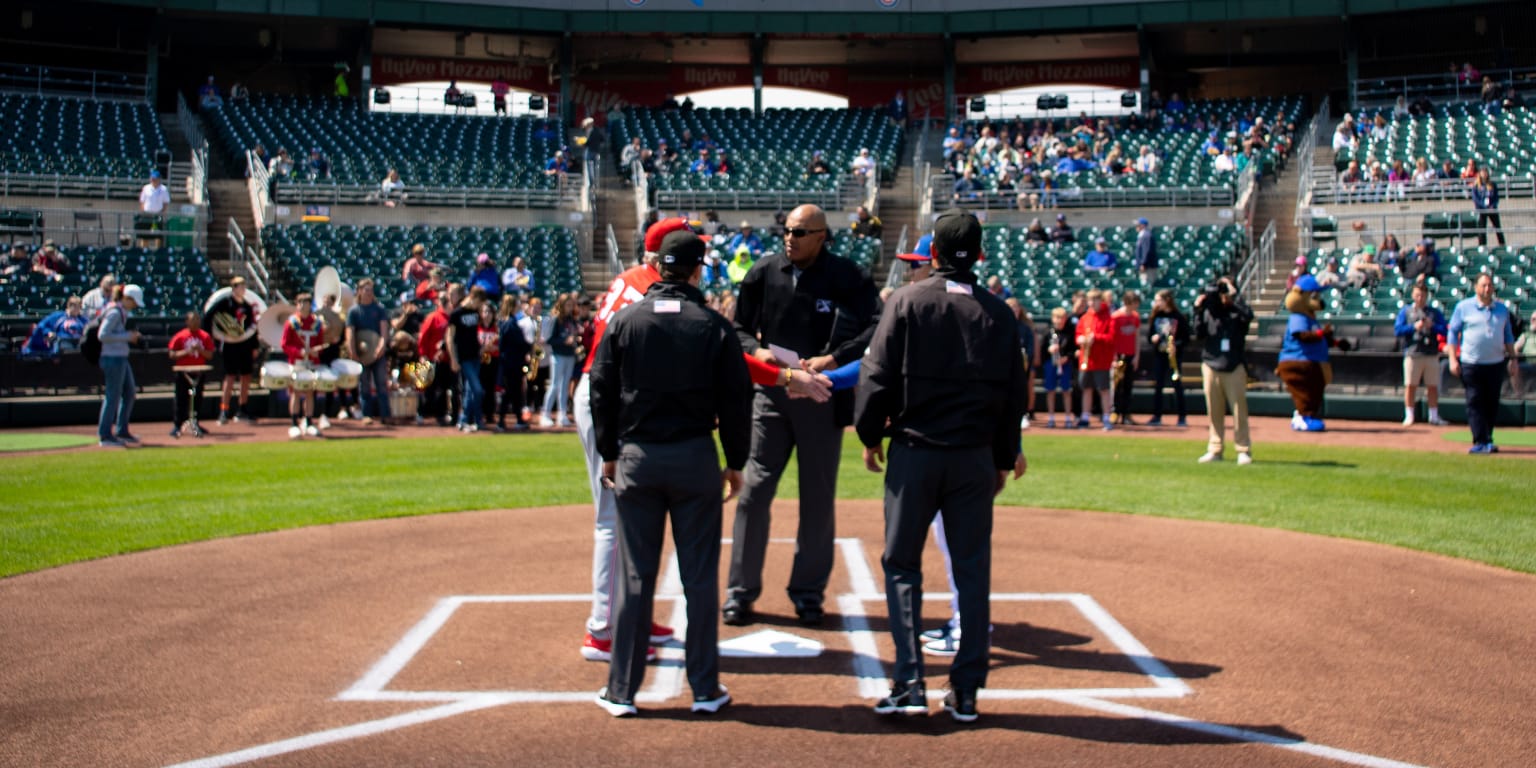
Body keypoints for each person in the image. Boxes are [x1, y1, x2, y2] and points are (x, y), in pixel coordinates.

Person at [573, 216, 832, 665]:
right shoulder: (651, 294)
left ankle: (629, 615)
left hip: (615, 398)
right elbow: (730, 357)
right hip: (609, 402)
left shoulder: (639, 282)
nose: (699, 260)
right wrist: (788, 376)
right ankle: (603, 628)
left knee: (629, 518)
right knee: (613, 521)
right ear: (664, 257)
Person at [854, 208, 1027, 722]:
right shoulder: (998, 313)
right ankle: (966, 690)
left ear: (931, 254)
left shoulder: (907, 300)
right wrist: (1000, 457)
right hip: (973, 457)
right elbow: (1013, 396)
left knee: (903, 566)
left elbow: (876, 374)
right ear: (978, 255)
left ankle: (909, 684)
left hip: (915, 452)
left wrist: (869, 433)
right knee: (971, 571)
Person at [589, 228, 751, 718]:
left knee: (635, 575)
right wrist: (736, 460)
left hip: (638, 456)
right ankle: (704, 688)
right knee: (699, 578)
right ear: (698, 269)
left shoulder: (626, 321)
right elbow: (738, 399)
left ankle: (621, 690)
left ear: (658, 265)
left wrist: (609, 451)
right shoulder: (713, 325)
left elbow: (601, 387)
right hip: (695, 457)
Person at [726, 203, 880, 627]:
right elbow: (738, 328)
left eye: (799, 232)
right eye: (787, 231)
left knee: (817, 500)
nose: (789, 238)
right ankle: (740, 592)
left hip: (822, 396)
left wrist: (832, 358)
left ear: (821, 236)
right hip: (772, 395)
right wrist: (760, 354)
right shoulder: (764, 271)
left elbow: (874, 328)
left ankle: (808, 593)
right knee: (754, 494)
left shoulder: (849, 276)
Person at [1447, 273, 1517, 454]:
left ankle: (1488, 438)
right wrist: (1453, 358)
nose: (1487, 289)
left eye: (1489, 285)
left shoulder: (1501, 309)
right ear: (1476, 288)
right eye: (1483, 285)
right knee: (1475, 400)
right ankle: (1479, 440)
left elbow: (1508, 336)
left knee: (1491, 402)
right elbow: (1453, 333)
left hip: (1495, 363)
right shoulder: (1464, 307)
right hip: (1471, 363)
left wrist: (1513, 358)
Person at [1193, 277, 1253, 464]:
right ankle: (1215, 448)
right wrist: (1198, 309)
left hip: (1233, 365)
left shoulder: (1236, 311)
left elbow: (1248, 316)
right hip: (1211, 364)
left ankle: (1243, 449)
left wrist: (1235, 295)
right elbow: (1198, 333)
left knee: (1238, 411)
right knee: (1214, 411)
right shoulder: (1209, 311)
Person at [206, 277, 261, 424]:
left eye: (244, 286)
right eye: (239, 286)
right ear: (233, 288)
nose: (242, 289)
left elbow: (252, 327)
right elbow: (209, 317)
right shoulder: (224, 303)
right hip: (230, 345)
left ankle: (242, 408)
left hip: (245, 345)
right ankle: (224, 410)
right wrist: (212, 337)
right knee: (229, 377)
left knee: (246, 377)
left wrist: (254, 346)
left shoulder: (248, 306)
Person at [1394, 281, 1449, 427]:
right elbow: (1398, 330)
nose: (1420, 298)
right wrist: (1413, 327)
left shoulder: (1433, 312)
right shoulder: (1406, 311)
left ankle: (1434, 416)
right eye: (1418, 295)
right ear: (1413, 295)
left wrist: (1433, 326)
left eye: (1423, 295)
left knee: (1432, 385)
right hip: (1413, 352)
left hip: (1431, 352)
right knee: (1410, 385)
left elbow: (1445, 329)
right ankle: (1409, 415)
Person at [97, 285, 144, 448]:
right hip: (112, 358)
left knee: (129, 392)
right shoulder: (115, 312)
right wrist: (127, 336)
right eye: (134, 302)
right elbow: (102, 335)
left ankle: (122, 430)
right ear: (126, 298)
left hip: (120, 358)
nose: (135, 306)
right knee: (113, 396)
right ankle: (105, 435)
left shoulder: (121, 312)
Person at [347, 278, 392, 425]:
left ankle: (385, 414)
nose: (369, 293)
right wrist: (352, 351)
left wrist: (381, 346)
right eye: (366, 290)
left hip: (377, 351)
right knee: (364, 384)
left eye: (371, 290)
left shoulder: (378, 309)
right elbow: (350, 332)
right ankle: (367, 414)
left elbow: (384, 330)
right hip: (361, 352)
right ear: (359, 291)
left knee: (381, 384)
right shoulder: (354, 311)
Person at [281, 293, 326, 439]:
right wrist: (299, 352)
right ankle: (294, 423)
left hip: (311, 362)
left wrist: (315, 351)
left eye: (305, 303)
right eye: (300, 303)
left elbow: (320, 343)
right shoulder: (292, 323)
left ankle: (309, 421)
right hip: (297, 362)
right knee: (296, 391)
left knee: (310, 392)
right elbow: (285, 344)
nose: (303, 305)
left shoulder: (316, 323)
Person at [167, 310, 214, 438]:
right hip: (183, 372)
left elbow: (209, 354)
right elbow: (172, 354)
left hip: (198, 371)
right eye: (193, 320)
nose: (196, 322)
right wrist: (187, 351)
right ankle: (178, 424)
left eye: (198, 320)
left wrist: (200, 350)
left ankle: (195, 422)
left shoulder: (205, 336)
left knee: (197, 398)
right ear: (187, 321)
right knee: (180, 398)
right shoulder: (180, 336)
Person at [447, 286, 488, 432]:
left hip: (475, 355)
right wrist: (453, 358)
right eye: (479, 302)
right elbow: (450, 337)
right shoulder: (457, 313)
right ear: (474, 298)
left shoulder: (475, 312)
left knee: (470, 391)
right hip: (463, 357)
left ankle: (470, 420)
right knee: (477, 389)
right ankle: (467, 419)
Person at [1146, 289, 1189, 427]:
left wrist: (1176, 345)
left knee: (1177, 385)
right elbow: (1149, 336)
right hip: (1159, 355)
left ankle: (1182, 416)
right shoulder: (1156, 316)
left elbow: (1186, 338)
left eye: (1159, 300)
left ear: (1167, 300)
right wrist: (1153, 339)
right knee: (1158, 385)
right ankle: (1157, 415)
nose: (1157, 303)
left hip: (1174, 357)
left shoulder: (1178, 317)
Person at [539, 293, 581, 427]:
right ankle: (545, 413)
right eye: (567, 305)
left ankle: (561, 414)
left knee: (565, 385)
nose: (569, 308)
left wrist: (575, 339)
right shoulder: (556, 319)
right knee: (555, 384)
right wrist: (564, 341)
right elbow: (549, 340)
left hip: (569, 355)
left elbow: (573, 334)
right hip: (558, 355)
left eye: (571, 305)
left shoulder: (572, 320)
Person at [1076, 290, 1115, 431]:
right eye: (1090, 300)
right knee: (1086, 388)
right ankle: (1085, 417)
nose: (1092, 303)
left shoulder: (1108, 317)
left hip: (1102, 360)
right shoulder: (1085, 317)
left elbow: (1111, 338)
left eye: (1095, 300)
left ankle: (1106, 417)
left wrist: (1096, 337)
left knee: (1103, 389)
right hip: (1086, 359)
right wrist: (1080, 339)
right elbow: (1078, 334)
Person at [495, 295, 532, 432]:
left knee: (514, 392)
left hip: (509, 362)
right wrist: (529, 346)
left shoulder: (506, 322)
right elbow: (519, 343)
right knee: (510, 392)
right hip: (511, 362)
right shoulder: (510, 323)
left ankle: (518, 419)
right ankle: (502, 421)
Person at [1041, 307, 1077, 428]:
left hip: (1065, 364)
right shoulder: (1048, 332)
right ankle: (1051, 417)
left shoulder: (1070, 332)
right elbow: (1042, 351)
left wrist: (1066, 358)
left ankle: (1068, 418)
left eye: (1062, 318)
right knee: (1050, 390)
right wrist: (1049, 350)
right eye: (1057, 317)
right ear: (1053, 318)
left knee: (1066, 390)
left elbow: (1074, 350)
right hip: (1051, 364)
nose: (1059, 320)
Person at [1110, 291, 1142, 425]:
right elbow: (1112, 338)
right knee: (1117, 385)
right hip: (1119, 356)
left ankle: (1126, 413)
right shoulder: (1116, 317)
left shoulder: (1135, 317)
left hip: (1130, 355)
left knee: (1129, 385)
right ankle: (1115, 412)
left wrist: (1137, 356)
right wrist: (1113, 357)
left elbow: (1137, 337)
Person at [22, 295, 87, 356]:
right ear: (69, 306)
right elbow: (41, 325)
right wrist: (48, 332)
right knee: (65, 345)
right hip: (62, 342)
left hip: (78, 342)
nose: (78, 309)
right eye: (76, 306)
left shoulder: (82, 319)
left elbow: (89, 329)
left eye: (79, 307)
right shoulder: (58, 316)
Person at [1471, 169, 1505, 247]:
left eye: (1486, 172)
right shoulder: (1476, 186)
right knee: (1482, 229)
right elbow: (1476, 199)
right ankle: (1482, 246)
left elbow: (1496, 197)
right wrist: (1484, 206)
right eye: (1483, 172)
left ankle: (1502, 244)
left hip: (1492, 209)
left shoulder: (1492, 184)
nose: (1484, 174)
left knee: (1497, 227)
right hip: (1482, 210)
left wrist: (1492, 205)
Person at [138, 170, 170, 247]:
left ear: (159, 179)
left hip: (158, 214)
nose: (153, 180)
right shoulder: (146, 188)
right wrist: (143, 212)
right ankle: (144, 250)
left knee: (158, 235)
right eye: (152, 178)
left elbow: (166, 202)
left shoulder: (163, 189)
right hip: (147, 214)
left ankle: (157, 251)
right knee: (145, 235)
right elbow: (142, 201)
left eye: (155, 178)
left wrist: (162, 212)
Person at [1133, 218, 1158, 288]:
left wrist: (1143, 263)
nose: (1136, 227)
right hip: (1145, 266)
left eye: (1138, 225)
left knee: (1147, 284)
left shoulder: (1146, 235)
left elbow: (1146, 251)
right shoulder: (1142, 235)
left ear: (1143, 226)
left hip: (1147, 267)